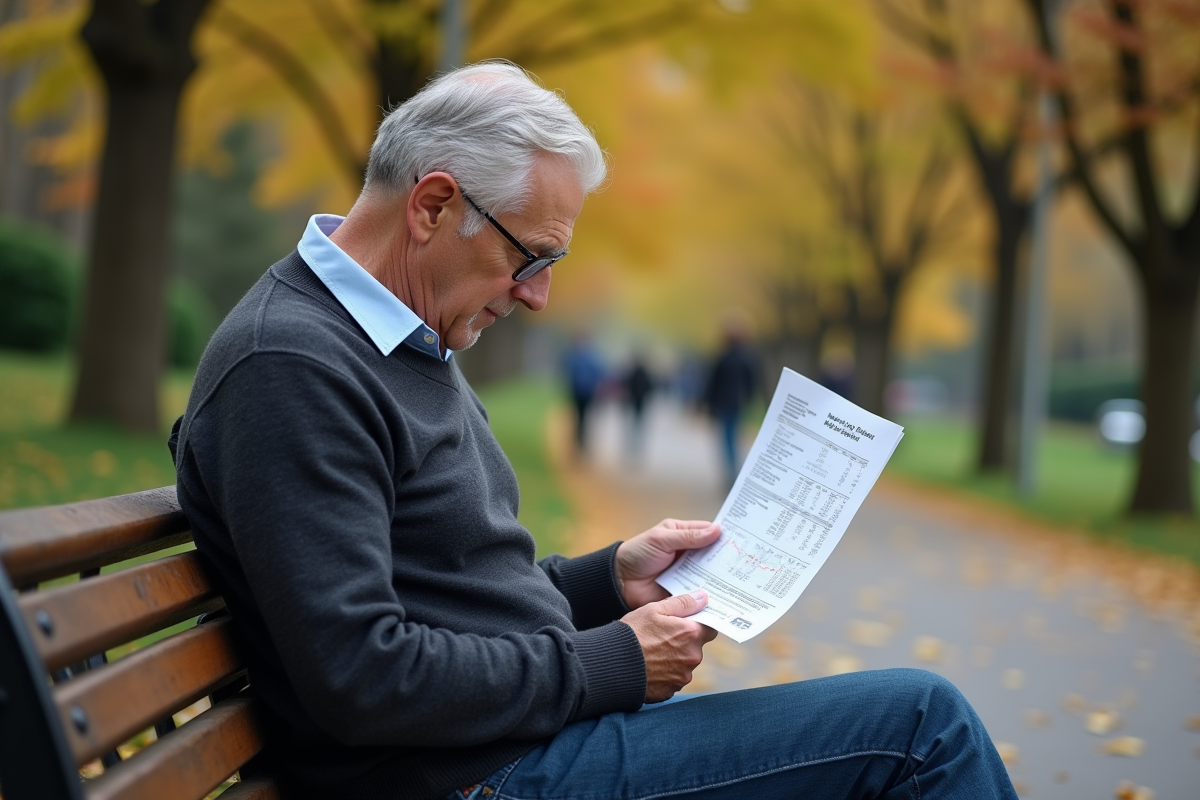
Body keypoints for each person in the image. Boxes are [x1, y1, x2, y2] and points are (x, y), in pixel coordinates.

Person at [169, 62, 1018, 800]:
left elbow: (451, 587)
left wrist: (609, 582)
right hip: (463, 779)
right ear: (433, 206)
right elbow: (363, 673)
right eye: (530, 257)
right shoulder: (293, 365)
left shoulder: (394, 340)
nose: (537, 294)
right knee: (921, 726)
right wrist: (610, 660)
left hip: (504, 752)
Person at [703, 318, 760, 487]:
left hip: (723, 404)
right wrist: (750, 400)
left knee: (727, 439)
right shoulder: (748, 358)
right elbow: (751, 383)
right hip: (739, 403)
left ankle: (731, 473)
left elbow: (713, 383)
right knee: (734, 438)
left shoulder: (722, 358)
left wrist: (709, 404)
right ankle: (734, 471)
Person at [562, 331, 605, 456]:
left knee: (585, 420)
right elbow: (567, 372)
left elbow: (599, 373)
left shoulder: (591, 357)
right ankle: (577, 443)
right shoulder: (574, 356)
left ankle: (582, 444)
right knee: (578, 419)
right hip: (576, 393)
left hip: (588, 393)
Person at [622, 351, 655, 459]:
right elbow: (650, 387)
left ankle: (633, 444)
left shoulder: (633, 373)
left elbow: (627, 387)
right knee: (638, 423)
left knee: (634, 423)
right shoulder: (645, 373)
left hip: (634, 400)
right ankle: (636, 444)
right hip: (641, 401)